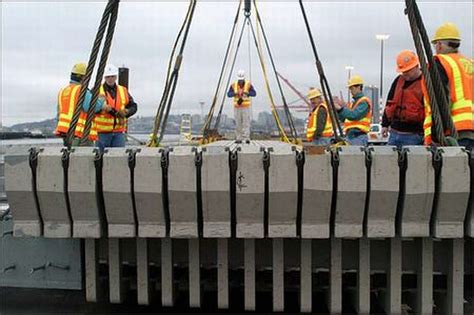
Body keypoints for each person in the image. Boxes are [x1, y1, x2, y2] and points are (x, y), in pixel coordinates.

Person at [424, 22, 473, 150]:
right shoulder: (469, 63)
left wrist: (436, 134)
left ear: (439, 45)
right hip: (470, 131)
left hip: (454, 132)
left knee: (450, 169)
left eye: (435, 45)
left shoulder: (440, 62)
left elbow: (441, 100)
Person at [55, 62, 111, 146]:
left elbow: (59, 113)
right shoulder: (81, 90)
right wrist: (102, 101)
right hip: (79, 134)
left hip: (66, 133)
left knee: (70, 157)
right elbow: (93, 106)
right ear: (83, 77)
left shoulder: (63, 91)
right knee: (84, 158)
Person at [382, 50, 425, 148]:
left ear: (416, 66)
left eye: (408, 71)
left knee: (411, 162)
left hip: (415, 135)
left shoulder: (426, 83)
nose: (405, 74)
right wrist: (385, 124)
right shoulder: (398, 81)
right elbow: (390, 102)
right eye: (403, 72)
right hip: (394, 132)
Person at [95, 64, 138, 152]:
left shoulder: (123, 90)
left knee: (118, 159)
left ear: (116, 77)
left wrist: (127, 112)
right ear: (104, 77)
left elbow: (133, 106)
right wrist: (102, 108)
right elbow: (91, 109)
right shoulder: (97, 90)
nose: (110, 79)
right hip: (101, 132)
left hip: (118, 132)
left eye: (112, 76)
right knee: (99, 159)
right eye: (108, 77)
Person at [334, 75, 372, 145]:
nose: (350, 91)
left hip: (359, 136)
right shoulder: (352, 104)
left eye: (352, 88)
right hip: (350, 136)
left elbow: (354, 115)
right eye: (350, 89)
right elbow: (344, 119)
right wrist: (338, 111)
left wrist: (340, 109)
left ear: (359, 87)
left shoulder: (364, 102)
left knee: (354, 155)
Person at [227, 70, 256, 141]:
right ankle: (239, 138)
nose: (240, 82)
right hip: (237, 107)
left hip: (245, 107)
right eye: (239, 80)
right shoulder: (233, 85)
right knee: (238, 123)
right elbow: (228, 94)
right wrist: (234, 94)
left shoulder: (248, 85)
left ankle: (246, 138)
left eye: (241, 80)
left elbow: (254, 93)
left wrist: (248, 93)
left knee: (246, 123)